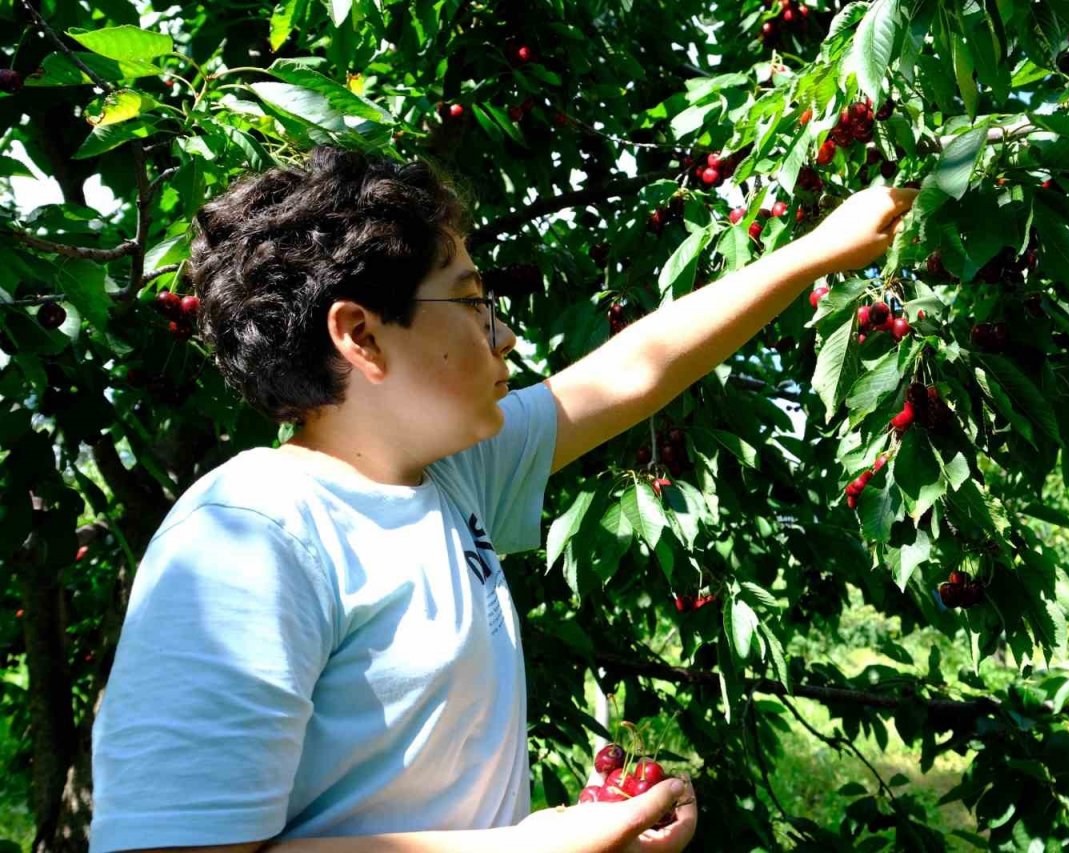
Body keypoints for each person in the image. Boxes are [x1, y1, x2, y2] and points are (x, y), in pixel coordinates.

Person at [88, 144, 916, 853]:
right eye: (471, 299)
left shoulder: (448, 476)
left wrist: (814, 252)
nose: (505, 333)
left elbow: (636, 369)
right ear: (362, 335)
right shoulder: (250, 539)